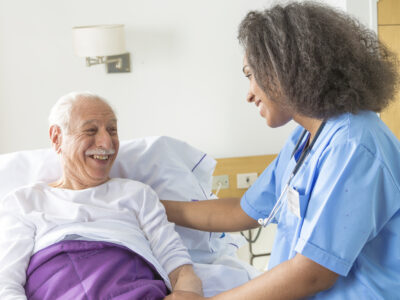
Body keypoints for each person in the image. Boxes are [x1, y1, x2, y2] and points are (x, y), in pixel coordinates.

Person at [162, 2, 400, 299]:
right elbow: (241, 211)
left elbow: (313, 272)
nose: (249, 93)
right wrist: (151, 206)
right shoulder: (305, 139)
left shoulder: (354, 145)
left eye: (250, 74)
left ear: (284, 69)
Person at [0, 92, 202, 299]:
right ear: (57, 138)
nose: (106, 143)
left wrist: (186, 294)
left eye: (112, 130)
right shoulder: (24, 202)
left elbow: (180, 268)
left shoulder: (138, 195)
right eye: (90, 130)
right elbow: (6, 285)